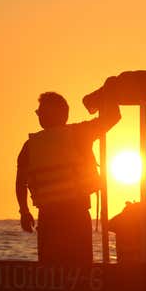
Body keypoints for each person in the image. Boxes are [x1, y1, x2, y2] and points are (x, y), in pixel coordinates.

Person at [16, 88, 120, 264]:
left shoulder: (30, 146)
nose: (38, 115)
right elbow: (113, 117)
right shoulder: (80, 133)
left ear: (56, 113)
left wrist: (24, 211)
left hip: (53, 218)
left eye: (40, 111)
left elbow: (20, 183)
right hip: (73, 216)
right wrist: (107, 95)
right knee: (80, 270)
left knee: (51, 272)